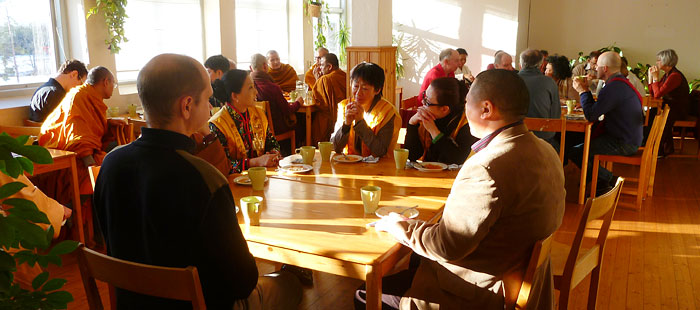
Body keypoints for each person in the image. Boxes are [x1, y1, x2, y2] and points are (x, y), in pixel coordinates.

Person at [93, 53, 302, 309]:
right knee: (290, 284)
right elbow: (244, 280)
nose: (212, 108)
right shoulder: (202, 177)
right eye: (207, 99)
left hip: (133, 302)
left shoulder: (111, 164)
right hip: (201, 304)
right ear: (187, 106)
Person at [356, 69, 565, 309]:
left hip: (477, 293)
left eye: (467, 103)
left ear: (486, 109)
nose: (464, 109)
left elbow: (446, 245)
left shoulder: (487, 166)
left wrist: (399, 225)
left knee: (365, 294)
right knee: (415, 259)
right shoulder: (546, 150)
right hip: (513, 274)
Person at [39, 66, 124, 197]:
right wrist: (92, 168)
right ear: (106, 81)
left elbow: (85, 127)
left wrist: (107, 123)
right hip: (69, 159)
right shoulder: (79, 96)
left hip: (78, 152)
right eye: (114, 84)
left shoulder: (88, 96)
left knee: (120, 159)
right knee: (118, 168)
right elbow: (78, 136)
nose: (113, 88)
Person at [572, 51, 643, 196]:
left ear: (605, 68)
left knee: (577, 151)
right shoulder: (619, 84)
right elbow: (597, 109)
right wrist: (586, 94)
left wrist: (582, 92)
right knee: (580, 144)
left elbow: (591, 115)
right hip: (628, 137)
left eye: (596, 66)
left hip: (624, 143)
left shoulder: (613, 87)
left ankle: (609, 179)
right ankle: (598, 182)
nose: (594, 69)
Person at [207, 69, 282, 174]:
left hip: (264, 175)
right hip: (235, 183)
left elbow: (272, 142)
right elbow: (223, 166)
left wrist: (273, 154)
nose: (256, 91)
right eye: (250, 88)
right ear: (235, 96)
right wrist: (254, 162)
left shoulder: (258, 113)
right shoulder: (218, 124)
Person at [331, 62, 401, 158]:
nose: (358, 93)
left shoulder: (387, 112)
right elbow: (336, 147)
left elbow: (380, 151)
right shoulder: (345, 106)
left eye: (364, 88)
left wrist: (360, 122)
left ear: (377, 90)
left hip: (379, 169)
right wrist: (346, 124)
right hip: (348, 165)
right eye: (355, 86)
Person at [404, 77, 476, 164]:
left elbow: (457, 160)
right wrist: (412, 124)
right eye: (424, 96)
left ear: (444, 109)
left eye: (427, 101)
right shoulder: (427, 117)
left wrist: (434, 132)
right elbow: (412, 155)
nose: (422, 102)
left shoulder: (468, 124)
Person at [250, 53, 302, 154]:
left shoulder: (248, 86)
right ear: (266, 66)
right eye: (272, 60)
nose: (276, 62)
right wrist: (298, 103)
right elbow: (287, 110)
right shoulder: (272, 87)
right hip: (275, 129)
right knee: (300, 123)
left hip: (255, 129)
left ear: (251, 68)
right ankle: (292, 155)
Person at [649, 49, 689, 157]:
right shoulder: (667, 75)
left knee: (660, 117)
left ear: (666, 61)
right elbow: (653, 93)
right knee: (652, 113)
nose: (657, 62)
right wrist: (651, 78)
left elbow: (658, 94)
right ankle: (662, 148)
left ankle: (659, 150)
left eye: (659, 60)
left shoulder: (675, 76)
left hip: (678, 109)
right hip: (670, 106)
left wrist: (656, 78)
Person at [518, 49, 561, 147]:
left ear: (520, 65)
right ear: (542, 66)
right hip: (543, 140)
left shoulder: (509, 81)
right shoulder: (550, 83)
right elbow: (555, 119)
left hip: (514, 137)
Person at [310, 53, 347, 144]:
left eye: (322, 65)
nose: (320, 68)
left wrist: (317, 80)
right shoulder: (345, 76)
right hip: (344, 116)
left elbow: (318, 102)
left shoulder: (325, 79)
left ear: (329, 67)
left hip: (328, 120)